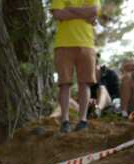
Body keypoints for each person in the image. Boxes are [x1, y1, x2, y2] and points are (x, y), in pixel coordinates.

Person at [50, 0, 100, 133]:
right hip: (63, 44)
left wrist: (70, 10)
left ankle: (83, 120)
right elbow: (59, 15)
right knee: (64, 84)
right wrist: (84, 14)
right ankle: (65, 121)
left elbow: (94, 11)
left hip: (87, 44)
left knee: (85, 83)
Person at [88, 52, 120, 116]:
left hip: (109, 104)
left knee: (102, 88)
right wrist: (89, 99)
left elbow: (116, 95)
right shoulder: (85, 77)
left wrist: (98, 100)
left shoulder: (110, 73)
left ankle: (98, 110)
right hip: (91, 106)